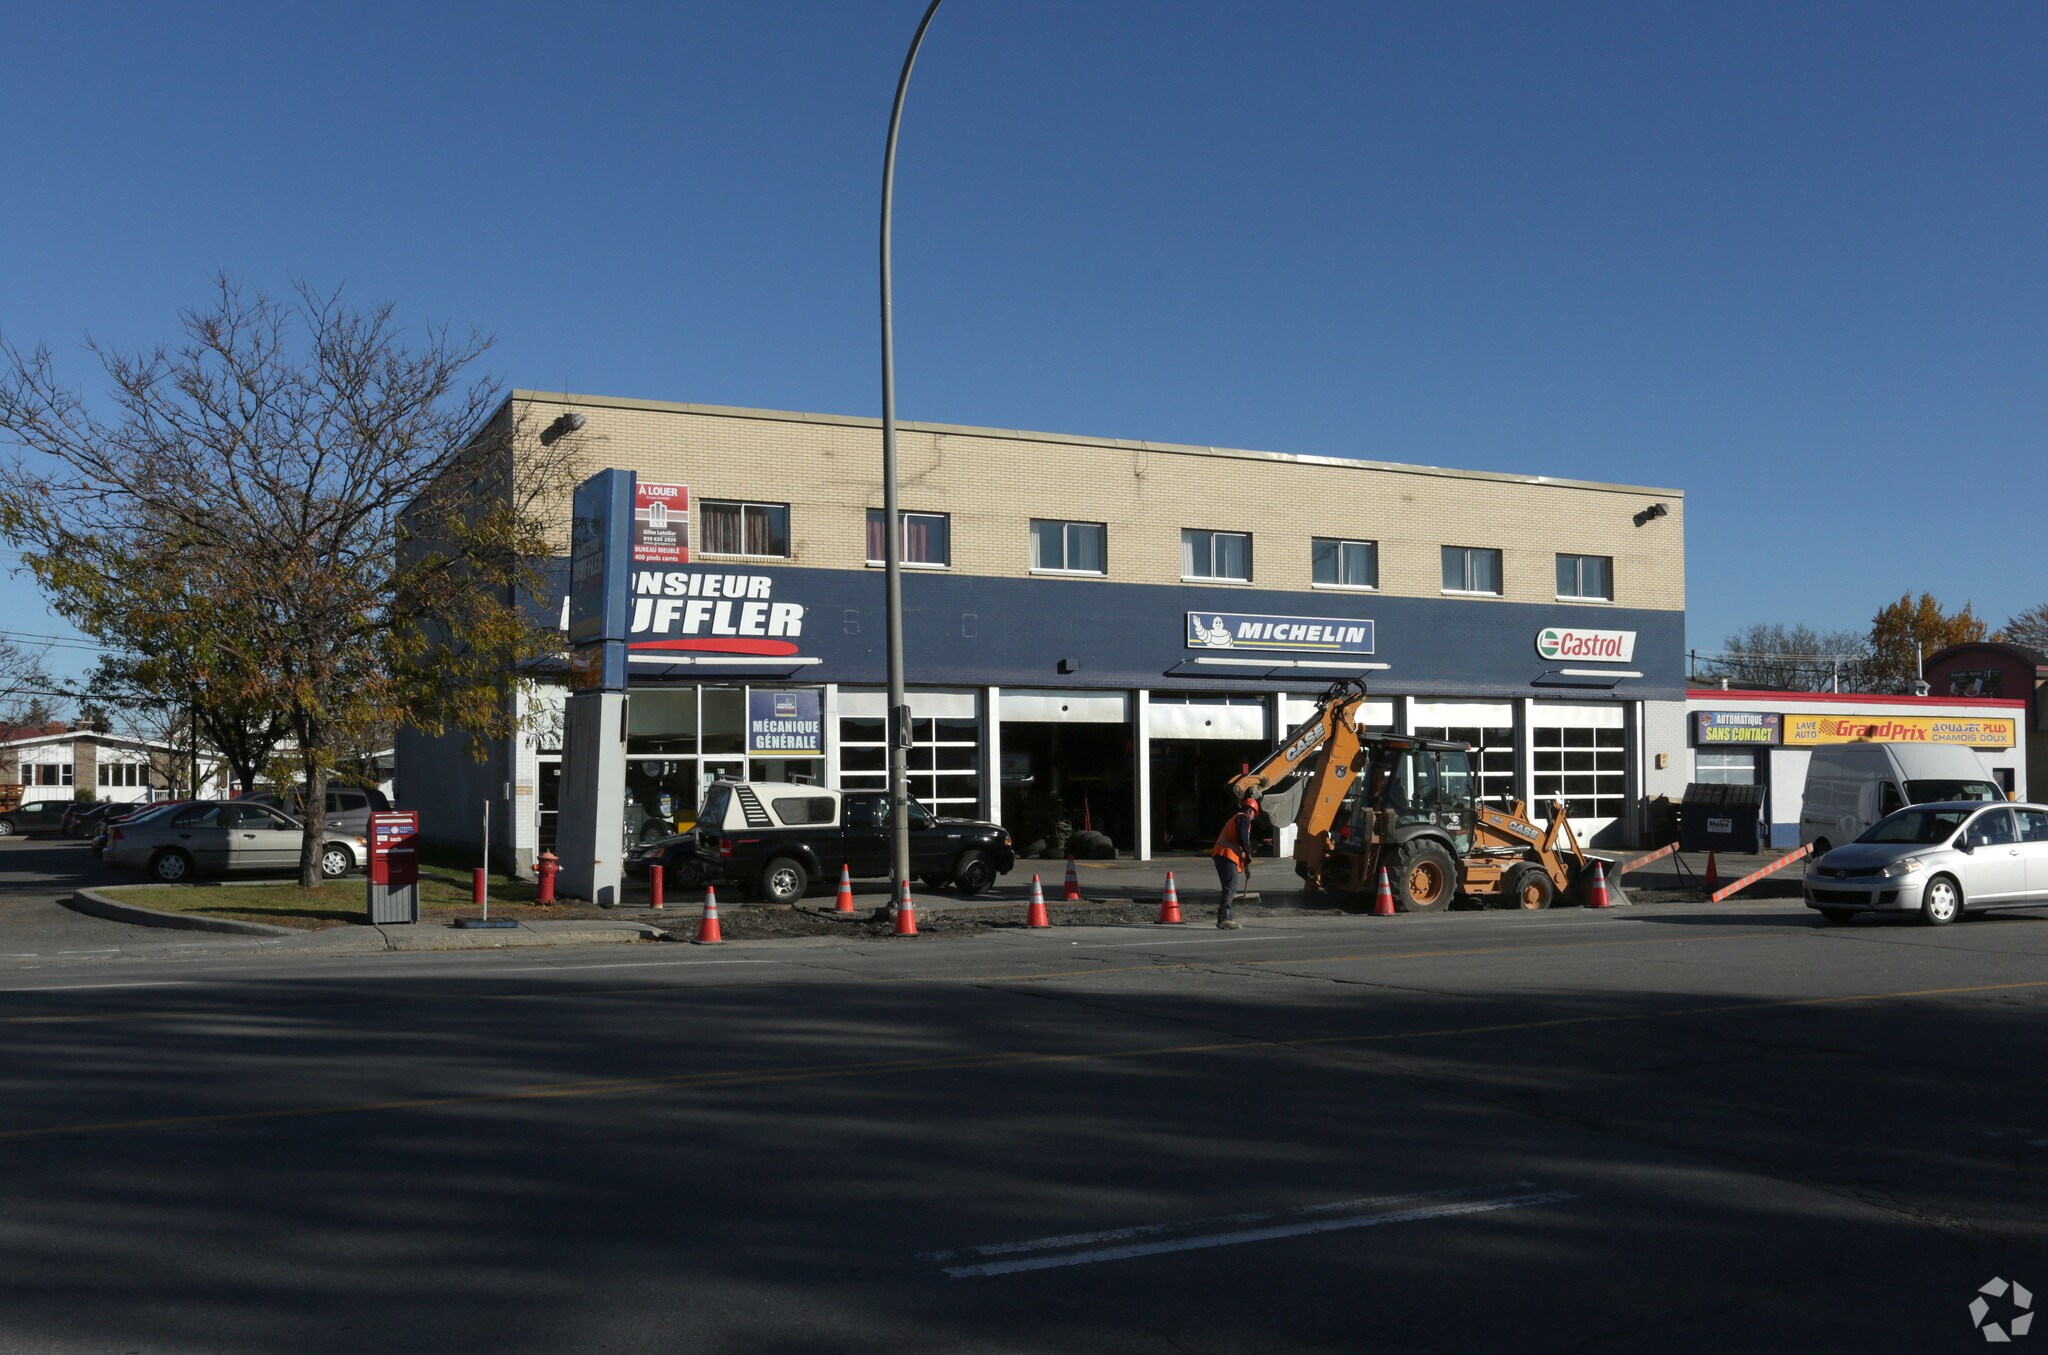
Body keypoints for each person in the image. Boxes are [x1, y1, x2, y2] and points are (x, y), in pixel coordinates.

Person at [1210, 794, 1258, 929]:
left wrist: (1246, 862)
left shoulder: (1236, 818)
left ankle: (1227, 918)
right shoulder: (1243, 818)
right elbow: (1243, 839)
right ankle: (1224, 918)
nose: (1254, 817)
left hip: (1222, 855)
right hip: (1226, 855)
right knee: (1230, 887)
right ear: (1250, 811)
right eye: (1254, 814)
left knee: (1229, 887)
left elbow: (1239, 842)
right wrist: (1249, 854)